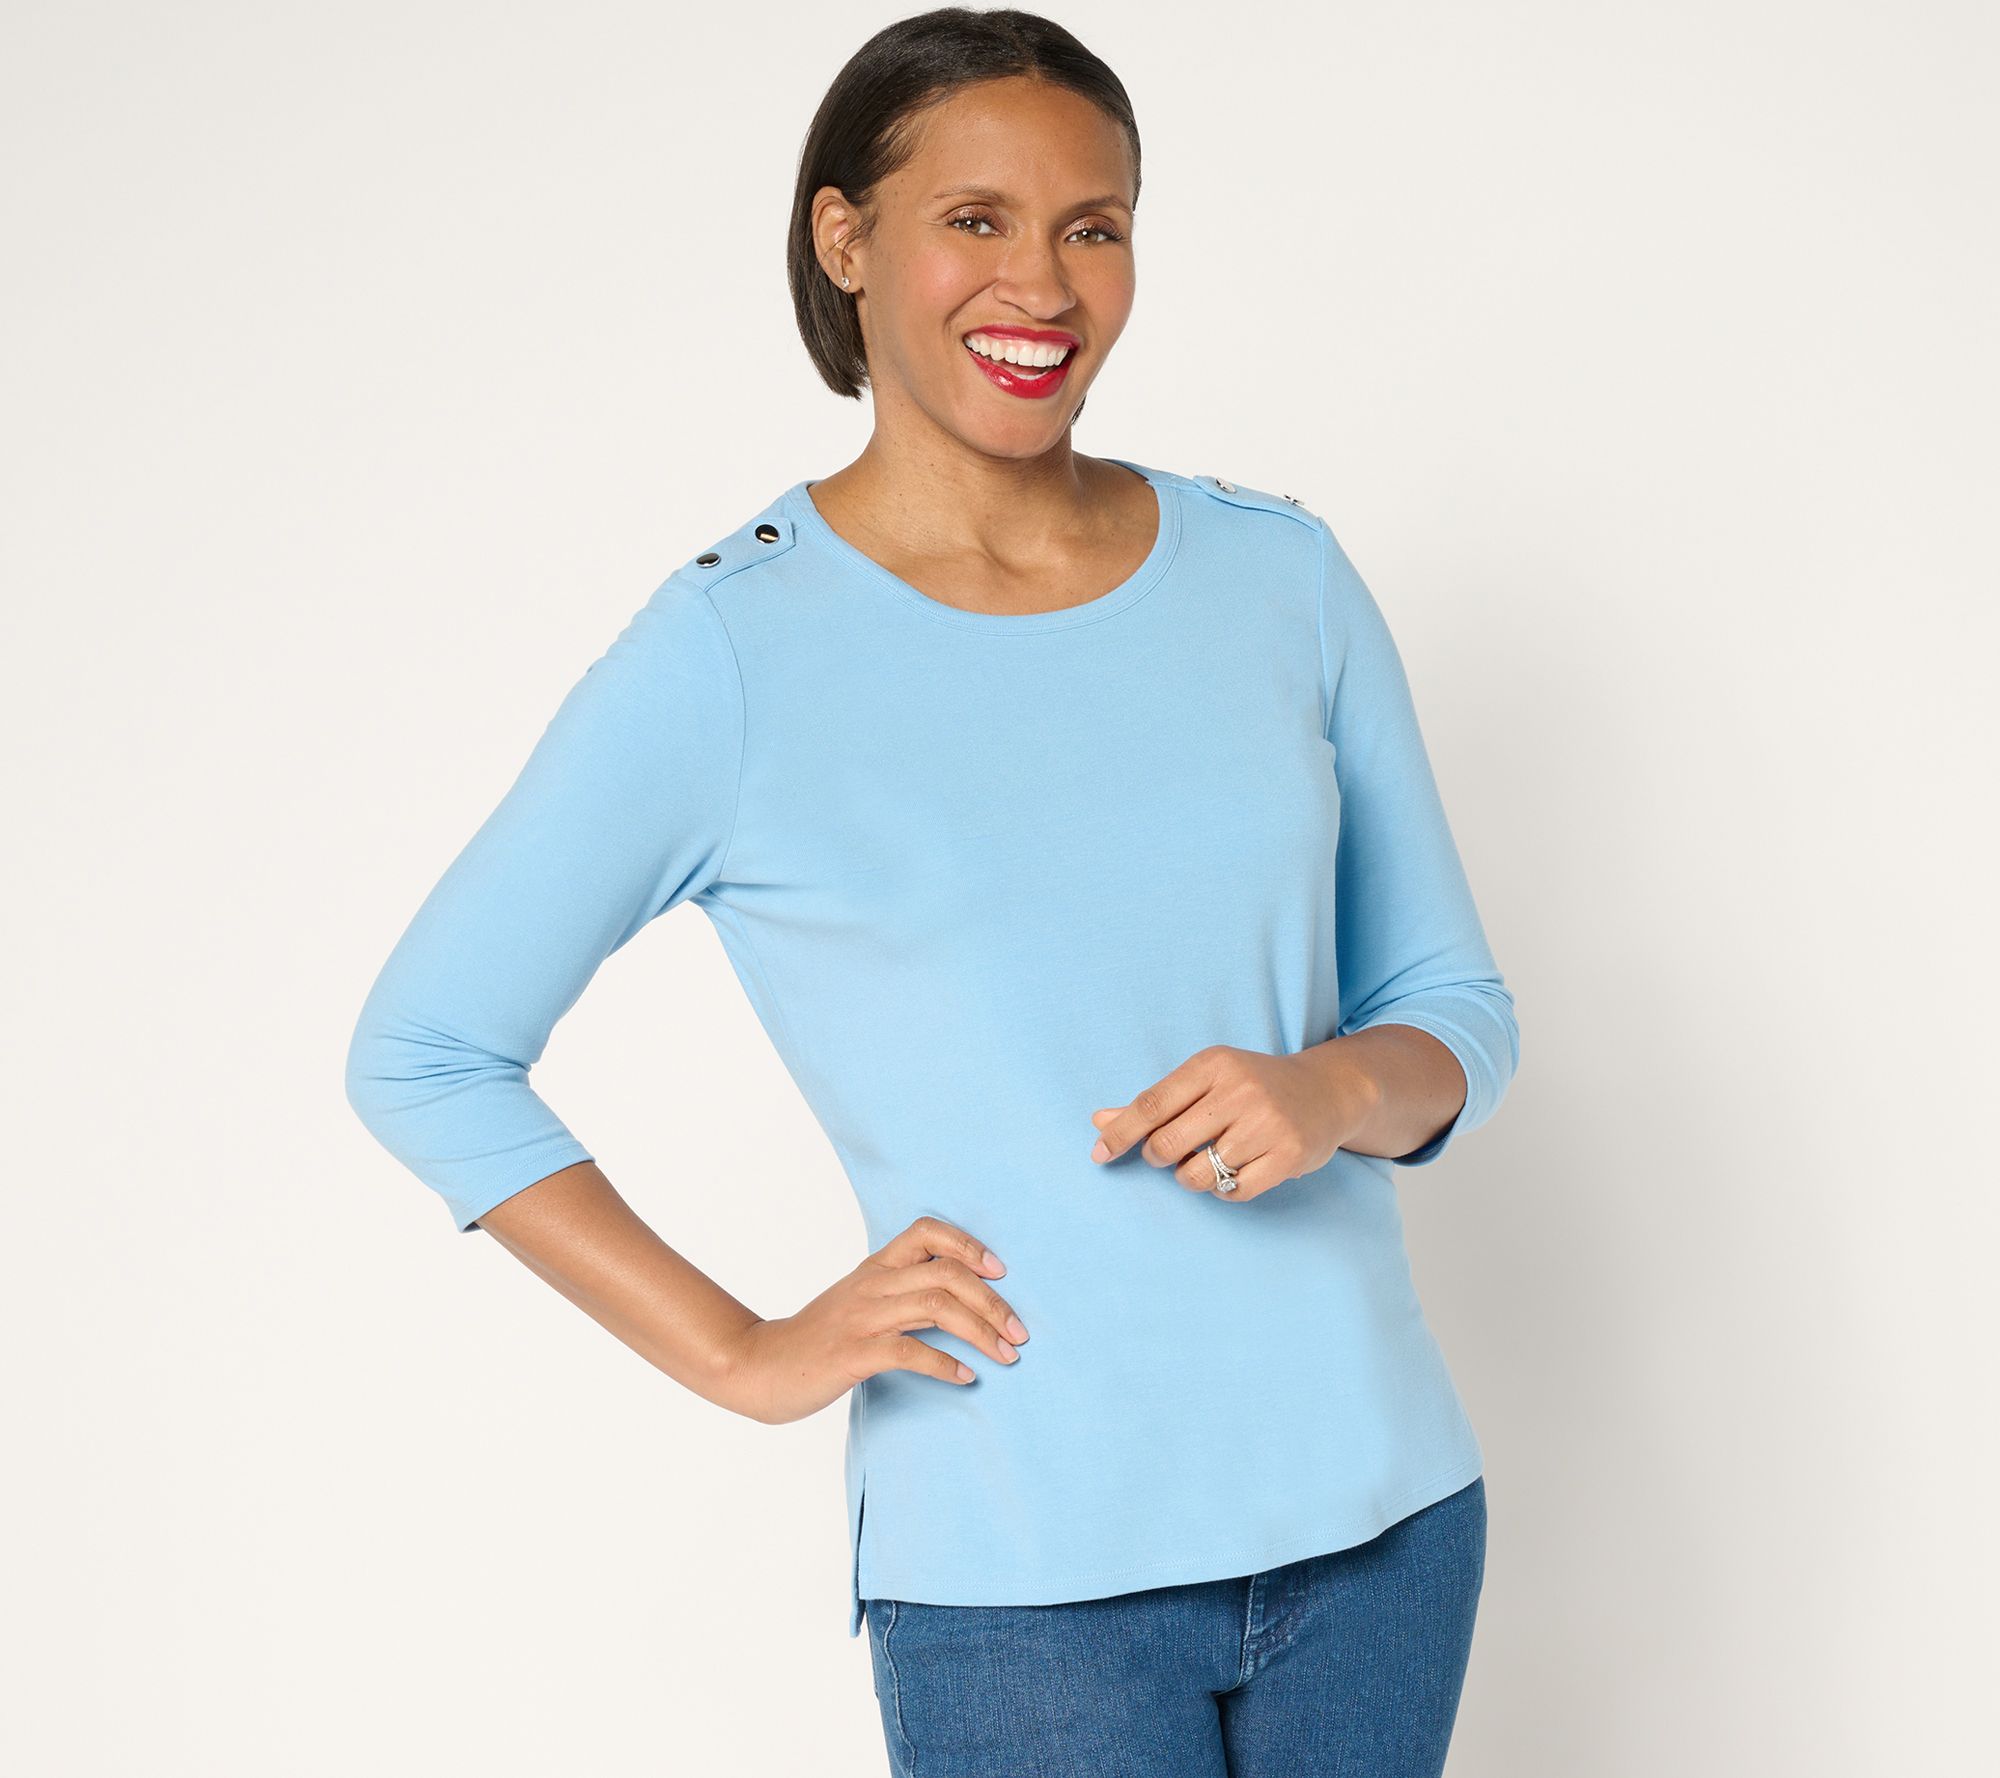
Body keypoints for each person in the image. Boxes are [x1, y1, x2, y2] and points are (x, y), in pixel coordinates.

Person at [343, 8, 1520, 1774]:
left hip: (1380, 1519)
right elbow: (426, 1049)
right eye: (976, 219)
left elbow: (1457, 1014)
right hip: (1019, 1578)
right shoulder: (731, 653)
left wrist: (1334, 1087)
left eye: (1091, 226)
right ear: (846, 238)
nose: (1041, 283)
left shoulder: (1281, 577)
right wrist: (747, 1352)